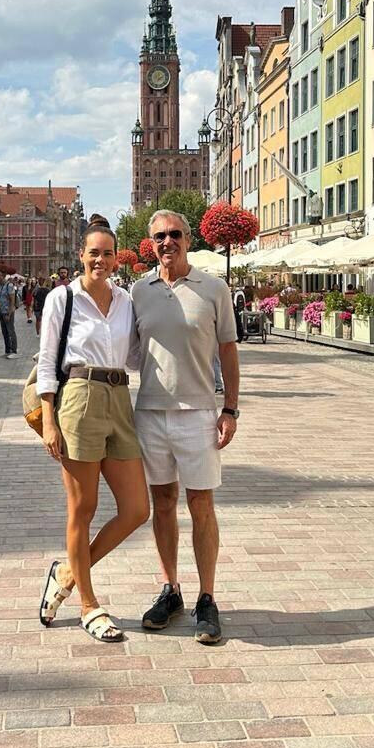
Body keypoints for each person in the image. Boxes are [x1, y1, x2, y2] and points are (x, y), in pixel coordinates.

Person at [37, 215, 149, 643]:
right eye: (93, 253)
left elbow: (136, 356)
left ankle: (67, 573)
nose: (100, 260)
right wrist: (49, 419)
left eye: (107, 253)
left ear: (117, 258)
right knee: (83, 508)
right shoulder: (62, 298)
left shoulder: (126, 301)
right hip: (79, 399)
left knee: (136, 509)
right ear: (81, 255)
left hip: (119, 398)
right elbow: (47, 360)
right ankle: (88, 604)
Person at [132, 210, 240, 645]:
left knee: (201, 504)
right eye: (160, 236)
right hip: (150, 412)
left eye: (175, 234)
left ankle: (207, 597)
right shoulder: (138, 291)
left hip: (197, 413)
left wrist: (230, 409)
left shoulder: (213, 288)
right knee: (162, 502)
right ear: (151, 243)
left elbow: (228, 350)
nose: (168, 241)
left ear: (189, 238)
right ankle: (170, 589)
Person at [0, 275, 18, 357]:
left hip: (8, 312)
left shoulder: (9, 286)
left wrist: (9, 313)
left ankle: (14, 351)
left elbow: (12, 300)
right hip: (2, 311)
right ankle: (7, 350)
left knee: (10, 331)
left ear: (3, 275)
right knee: (4, 332)